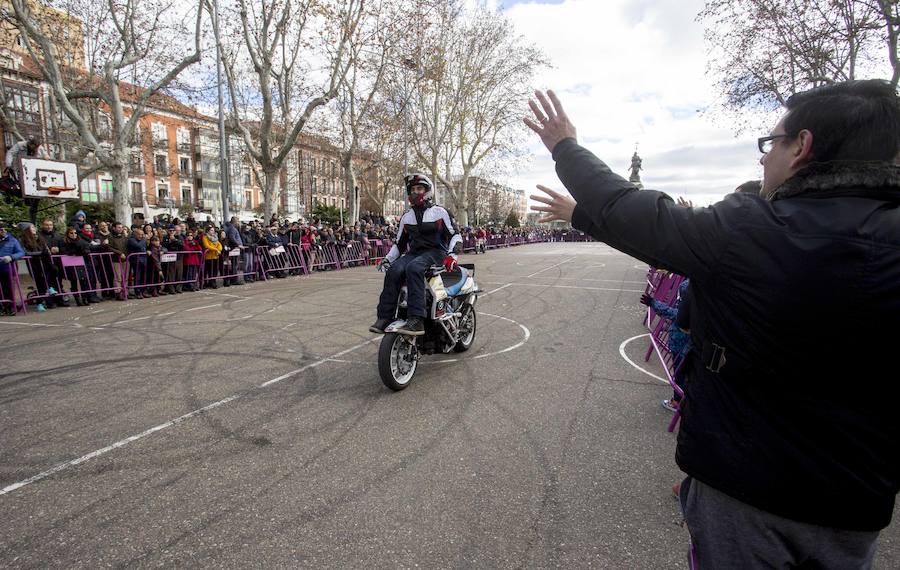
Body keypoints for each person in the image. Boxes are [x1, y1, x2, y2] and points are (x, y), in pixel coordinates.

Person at [526, 82, 900, 568]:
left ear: (803, 147)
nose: (763, 161)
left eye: (771, 144)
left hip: (745, 490)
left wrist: (566, 147)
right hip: (855, 502)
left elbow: (636, 211)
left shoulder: (749, 230)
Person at [370, 173, 462, 336]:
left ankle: (416, 319)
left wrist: (452, 256)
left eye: (419, 188)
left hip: (437, 252)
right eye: (412, 189)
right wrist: (387, 260)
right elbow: (400, 244)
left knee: (414, 268)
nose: (415, 192)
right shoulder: (406, 217)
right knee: (393, 270)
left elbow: (455, 235)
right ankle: (385, 317)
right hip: (415, 253)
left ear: (428, 191)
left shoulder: (440, 212)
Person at [0, 221, 25, 314]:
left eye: (4, 229)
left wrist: (11, 257)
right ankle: (2, 307)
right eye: (1, 229)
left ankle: (10, 306)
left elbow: (21, 252)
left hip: (8, 268)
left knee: (9, 288)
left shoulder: (13, 240)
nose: (3, 231)